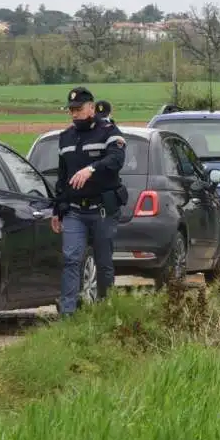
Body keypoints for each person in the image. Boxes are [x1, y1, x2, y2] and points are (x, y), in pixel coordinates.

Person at [52, 87, 127, 316]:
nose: (74, 114)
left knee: (103, 262)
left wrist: (91, 169)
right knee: (71, 259)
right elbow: (63, 178)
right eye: (71, 110)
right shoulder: (65, 137)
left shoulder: (108, 131)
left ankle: (105, 310)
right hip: (75, 211)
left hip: (102, 209)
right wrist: (57, 210)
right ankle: (68, 314)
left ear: (92, 108)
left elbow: (116, 160)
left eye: (79, 109)